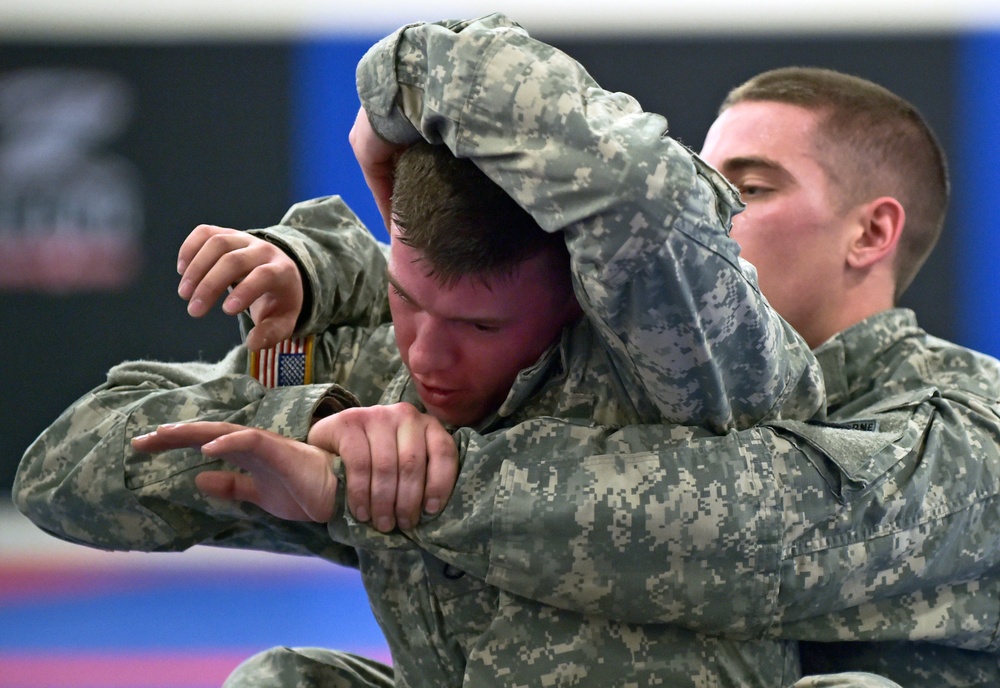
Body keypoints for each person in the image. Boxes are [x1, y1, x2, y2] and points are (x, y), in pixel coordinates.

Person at [157, 18, 1000, 687]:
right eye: (699, 188)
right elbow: (100, 453)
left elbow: (732, 536)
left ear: (873, 232)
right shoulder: (593, 371)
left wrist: (391, 480)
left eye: (743, 190)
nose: (707, 229)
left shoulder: (969, 428)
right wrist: (315, 331)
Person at [11, 14, 840, 688]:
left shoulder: (687, 371)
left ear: (583, 292)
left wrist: (389, 99)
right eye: (406, 301)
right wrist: (303, 404)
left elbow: (638, 188)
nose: (427, 358)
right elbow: (56, 476)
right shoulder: (381, 368)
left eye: (481, 328)